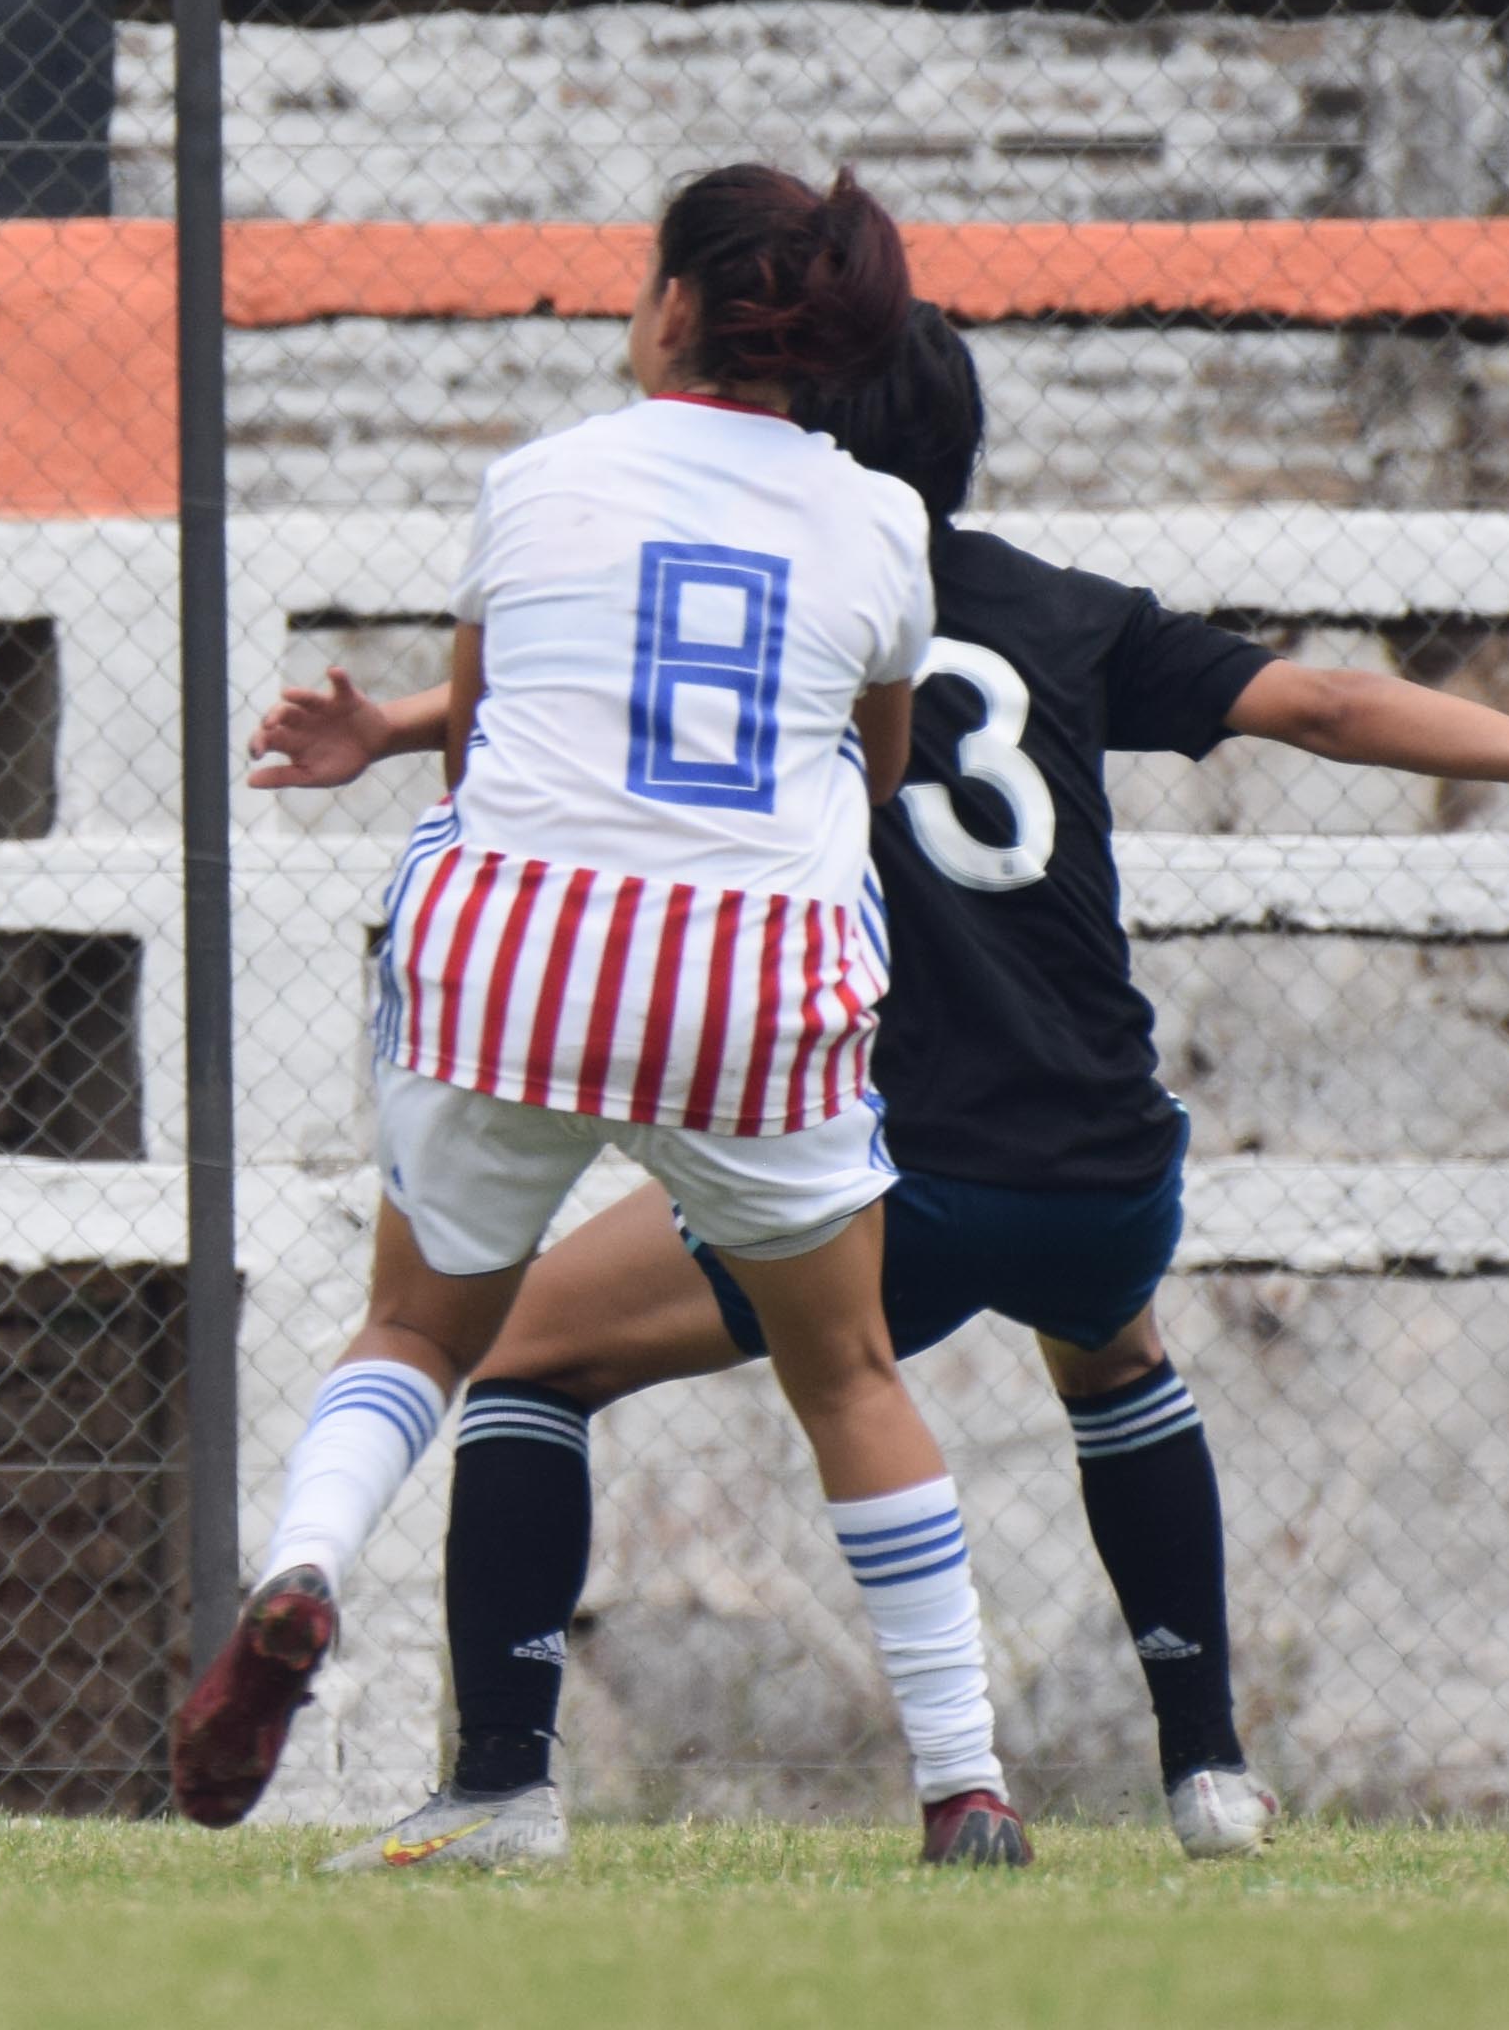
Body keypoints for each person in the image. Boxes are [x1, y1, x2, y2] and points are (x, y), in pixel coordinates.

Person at [255, 305, 1509, 1870]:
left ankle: (504, 1779)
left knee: (517, 1354)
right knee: (1115, 1356)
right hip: (1100, 1164)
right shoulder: (1063, 615)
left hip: (899, 1167)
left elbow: (633, 678)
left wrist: (395, 730)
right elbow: (1326, 706)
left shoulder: (779, 593)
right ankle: (1207, 1773)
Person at [173, 166, 1040, 1867]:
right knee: (848, 1370)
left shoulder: (538, 479)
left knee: (417, 1333)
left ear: (671, 309)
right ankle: (964, 1788)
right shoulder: (878, 524)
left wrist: (384, 741)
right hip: (751, 973)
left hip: (517, 955)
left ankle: (302, 1574)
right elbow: (861, 774)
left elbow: (493, 732)